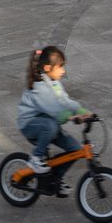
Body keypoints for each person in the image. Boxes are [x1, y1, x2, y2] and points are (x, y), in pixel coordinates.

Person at [16, 45, 94, 196]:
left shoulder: (55, 83)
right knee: (50, 125)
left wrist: (83, 112)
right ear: (47, 68)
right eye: (60, 67)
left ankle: (55, 180)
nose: (63, 71)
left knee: (75, 150)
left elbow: (65, 102)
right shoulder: (38, 87)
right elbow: (53, 108)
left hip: (49, 124)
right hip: (30, 124)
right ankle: (36, 158)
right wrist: (71, 117)